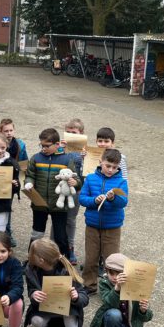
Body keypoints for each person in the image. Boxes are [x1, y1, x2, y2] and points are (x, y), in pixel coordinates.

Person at [24, 239, 89, 327]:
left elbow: (84, 297)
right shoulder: (31, 269)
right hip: (45, 308)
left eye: (31, 253)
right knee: (36, 320)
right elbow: (31, 289)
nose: (28, 255)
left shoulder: (66, 270)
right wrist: (33, 295)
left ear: (41, 260)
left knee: (71, 314)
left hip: (65, 310)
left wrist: (76, 297)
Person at [78, 149, 129, 294]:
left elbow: (123, 202)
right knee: (91, 258)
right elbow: (82, 199)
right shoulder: (90, 178)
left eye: (115, 167)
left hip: (112, 227)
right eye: (108, 166)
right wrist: (94, 200)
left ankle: (114, 288)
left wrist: (113, 198)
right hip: (92, 226)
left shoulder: (121, 182)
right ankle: (89, 285)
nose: (111, 170)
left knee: (112, 260)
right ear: (101, 162)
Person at [23, 128, 80, 257]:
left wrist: (75, 183)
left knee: (60, 237)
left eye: (47, 146)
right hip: (39, 204)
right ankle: (32, 262)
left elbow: (76, 179)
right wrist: (29, 182)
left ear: (57, 144)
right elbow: (30, 174)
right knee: (36, 234)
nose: (44, 148)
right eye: (41, 145)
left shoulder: (66, 160)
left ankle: (63, 265)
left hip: (59, 206)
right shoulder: (36, 158)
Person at [88, 253, 153, 327]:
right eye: (111, 273)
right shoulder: (105, 283)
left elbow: (147, 317)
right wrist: (117, 288)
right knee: (114, 314)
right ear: (106, 271)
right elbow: (108, 303)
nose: (114, 277)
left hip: (127, 326)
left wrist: (143, 310)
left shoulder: (136, 286)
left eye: (119, 274)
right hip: (109, 321)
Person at [59, 118, 86, 265]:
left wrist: (85, 159)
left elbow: (88, 172)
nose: (70, 135)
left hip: (77, 189)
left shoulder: (85, 151)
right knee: (58, 217)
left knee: (70, 220)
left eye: (74, 132)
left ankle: (70, 247)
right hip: (59, 189)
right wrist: (59, 150)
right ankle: (57, 246)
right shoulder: (60, 147)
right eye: (68, 132)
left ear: (81, 134)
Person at [0, 119, 28, 248]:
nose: (9, 133)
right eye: (6, 131)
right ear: (1, 132)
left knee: (7, 208)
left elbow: (24, 163)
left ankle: (7, 234)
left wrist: (22, 179)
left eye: (11, 130)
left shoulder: (20, 144)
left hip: (11, 181)